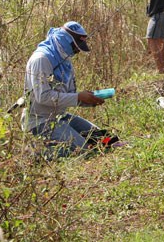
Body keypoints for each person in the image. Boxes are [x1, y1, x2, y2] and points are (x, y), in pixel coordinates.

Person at [21, 20, 122, 157]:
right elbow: (42, 96)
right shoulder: (41, 59)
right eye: (75, 47)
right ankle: (35, 153)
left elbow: (69, 96)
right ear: (65, 40)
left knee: (107, 140)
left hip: (60, 116)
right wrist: (78, 97)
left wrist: (88, 100)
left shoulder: (65, 61)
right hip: (40, 121)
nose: (77, 52)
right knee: (84, 151)